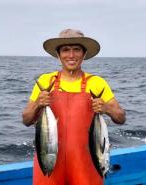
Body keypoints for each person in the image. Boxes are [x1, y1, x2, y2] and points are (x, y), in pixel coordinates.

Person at [22, 29, 126, 185]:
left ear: (84, 54)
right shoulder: (45, 80)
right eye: (65, 50)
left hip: (87, 160)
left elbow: (121, 118)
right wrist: (38, 103)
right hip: (49, 157)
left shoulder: (97, 82)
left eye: (76, 49)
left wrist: (107, 108)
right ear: (58, 55)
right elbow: (26, 119)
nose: (71, 55)